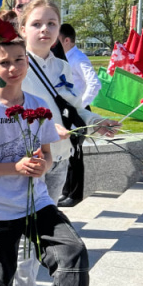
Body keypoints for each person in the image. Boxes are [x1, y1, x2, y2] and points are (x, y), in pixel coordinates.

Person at [0, 35, 108, 286]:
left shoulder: (37, 105)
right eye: (4, 62)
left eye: (19, 59)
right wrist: (14, 167)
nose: (13, 68)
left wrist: (40, 165)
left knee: (71, 251)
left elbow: (47, 156)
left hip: (37, 204)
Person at [12, 0, 116, 286]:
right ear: (22, 28)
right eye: (37, 24)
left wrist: (95, 120)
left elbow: (72, 106)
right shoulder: (13, 64)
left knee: (41, 237)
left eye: (51, 24)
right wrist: (42, 126)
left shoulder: (61, 66)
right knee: (27, 240)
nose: (44, 30)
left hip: (59, 159)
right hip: (29, 162)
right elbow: (3, 112)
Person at [58, 23, 102, 208]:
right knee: (67, 152)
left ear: (66, 40)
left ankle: (75, 195)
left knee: (75, 154)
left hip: (78, 112)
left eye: (57, 40)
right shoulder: (63, 58)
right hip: (68, 112)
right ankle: (66, 191)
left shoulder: (77, 58)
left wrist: (79, 106)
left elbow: (94, 83)